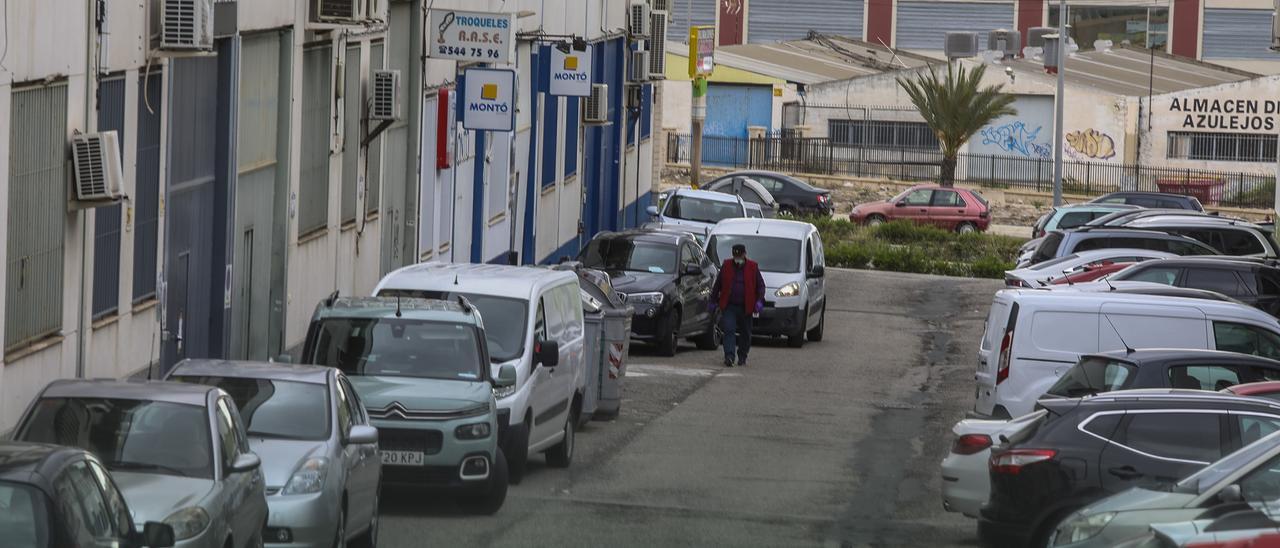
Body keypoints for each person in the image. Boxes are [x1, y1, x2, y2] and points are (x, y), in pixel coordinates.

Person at [709, 243, 766, 367]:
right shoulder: (726, 265)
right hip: (730, 306)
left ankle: (742, 356)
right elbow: (718, 285)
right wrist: (713, 301)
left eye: (739, 255)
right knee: (729, 330)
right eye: (735, 255)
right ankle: (729, 356)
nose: (737, 258)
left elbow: (761, 286)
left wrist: (759, 301)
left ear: (744, 254)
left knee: (745, 333)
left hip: (746, 307)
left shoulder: (753, 267)